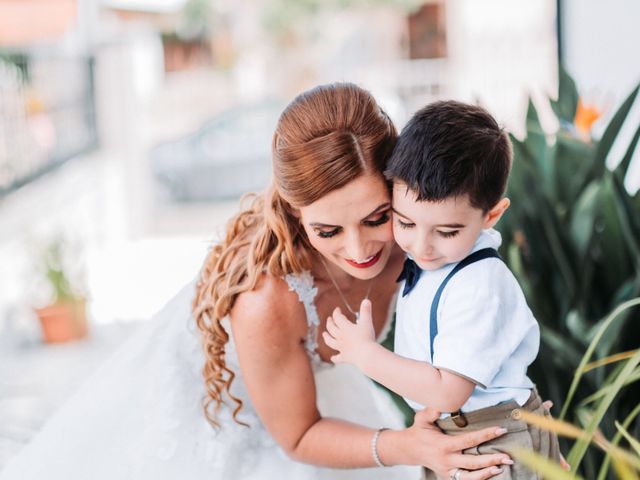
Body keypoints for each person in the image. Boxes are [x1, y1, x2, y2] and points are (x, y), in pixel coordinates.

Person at [0, 86, 513, 480]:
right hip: (238, 428)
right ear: (295, 213)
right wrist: (403, 445)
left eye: (377, 217)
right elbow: (297, 433)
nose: (360, 251)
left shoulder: (415, 233)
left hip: (325, 395)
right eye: (327, 230)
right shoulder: (268, 300)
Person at [323, 100, 562, 479]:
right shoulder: (436, 260)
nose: (421, 246)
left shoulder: (479, 284)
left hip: (493, 437)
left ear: (491, 216)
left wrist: (366, 355)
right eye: (405, 223)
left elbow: (449, 391)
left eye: (447, 231)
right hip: (465, 432)